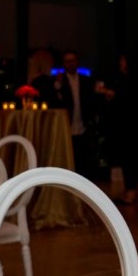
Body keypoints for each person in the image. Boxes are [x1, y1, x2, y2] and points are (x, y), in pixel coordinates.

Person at [100, 53, 138, 203]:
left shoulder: (133, 80)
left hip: (131, 126)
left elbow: (125, 99)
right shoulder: (121, 78)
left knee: (130, 159)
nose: (120, 62)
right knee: (126, 159)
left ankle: (131, 192)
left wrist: (107, 93)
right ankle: (129, 190)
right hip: (124, 125)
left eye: (123, 60)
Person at [52, 49, 100, 180]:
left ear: (77, 62)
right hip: (67, 126)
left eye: (72, 61)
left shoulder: (86, 80)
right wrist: (58, 85)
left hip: (83, 124)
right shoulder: (59, 81)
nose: (70, 64)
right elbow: (55, 101)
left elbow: (92, 100)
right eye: (67, 61)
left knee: (83, 157)